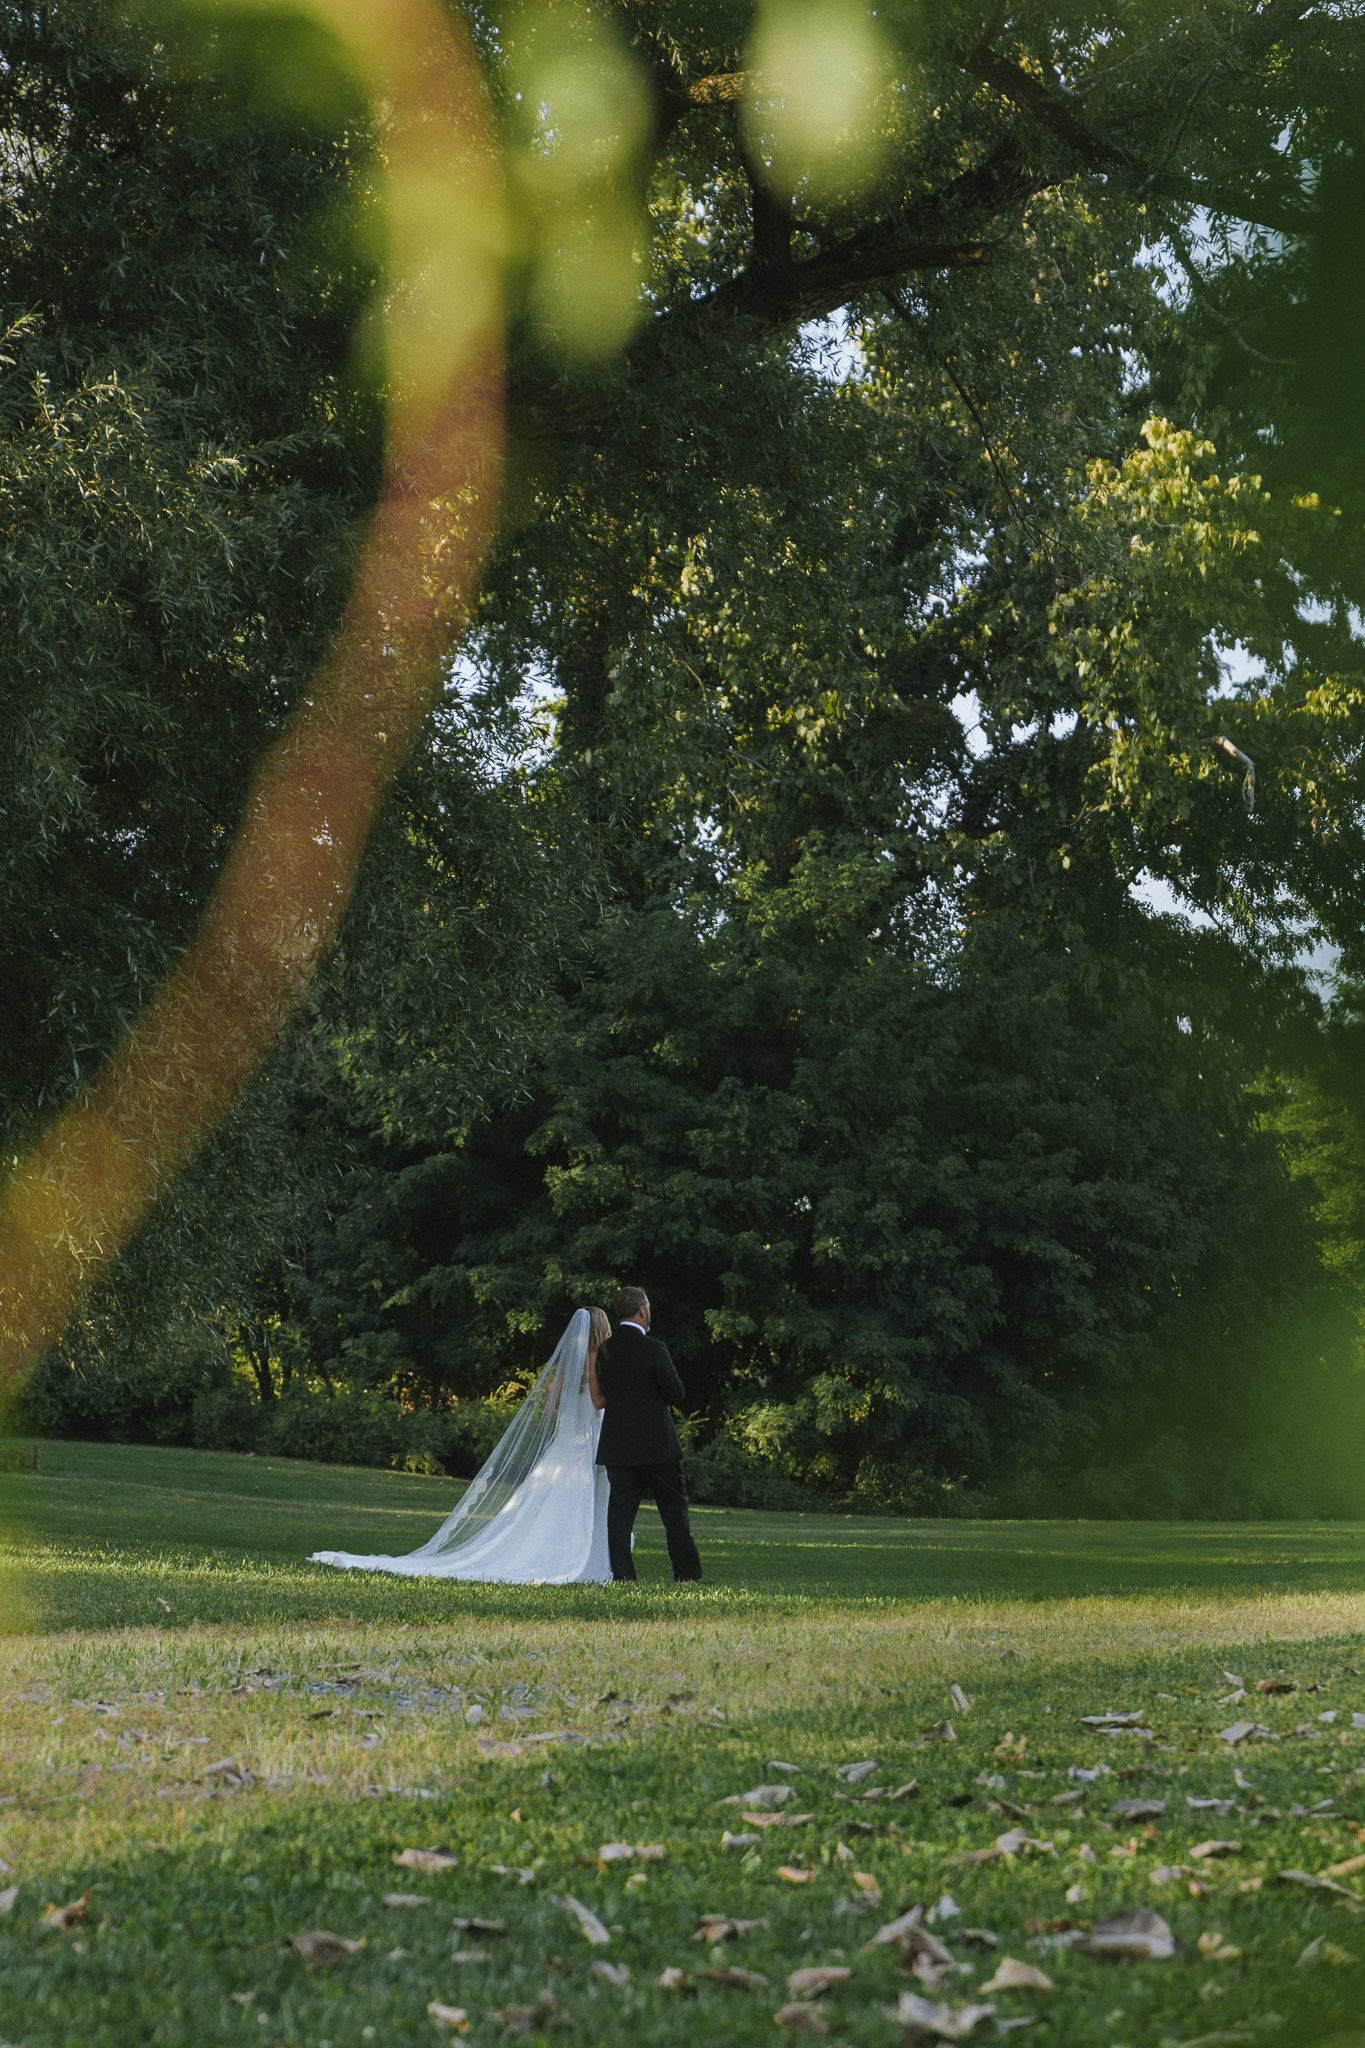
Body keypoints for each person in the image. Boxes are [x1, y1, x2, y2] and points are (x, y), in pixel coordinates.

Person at [309, 1308, 612, 1583]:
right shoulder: (600, 1361)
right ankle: (582, 1559)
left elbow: (547, 1408)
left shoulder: (568, 1364)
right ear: (603, 1330)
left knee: (553, 1503)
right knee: (589, 1503)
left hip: (564, 1444)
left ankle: (552, 1553)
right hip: (588, 1442)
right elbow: (599, 1404)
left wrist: (566, 1424)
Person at [593, 1286, 703, 1584]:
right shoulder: (655, 1348)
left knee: (619, 1515)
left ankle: (623, 1576)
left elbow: (607, 1393)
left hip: (618, 1445)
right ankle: (686, 1575)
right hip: (657, 1445)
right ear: (643, 1310)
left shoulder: (605, 1350)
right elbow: (676, 1392)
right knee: (674, 1511)